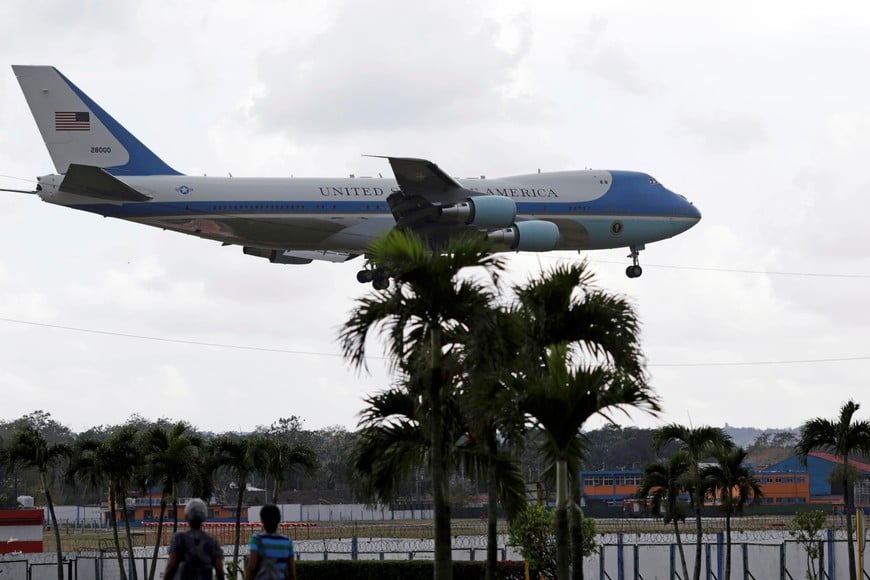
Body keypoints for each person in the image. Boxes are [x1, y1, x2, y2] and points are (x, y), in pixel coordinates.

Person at [163, 498, 226, 580]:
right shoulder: (212, 542)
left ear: (186, 516)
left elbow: (171, 566)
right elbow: (219, 571)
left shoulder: (179, 539)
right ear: (204, 517)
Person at [245, 504, 296, 580]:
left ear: (262, 520)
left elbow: (251, 568)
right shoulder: (287, 542)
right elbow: (291, 571)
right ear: (278, 520)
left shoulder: (257, 539)